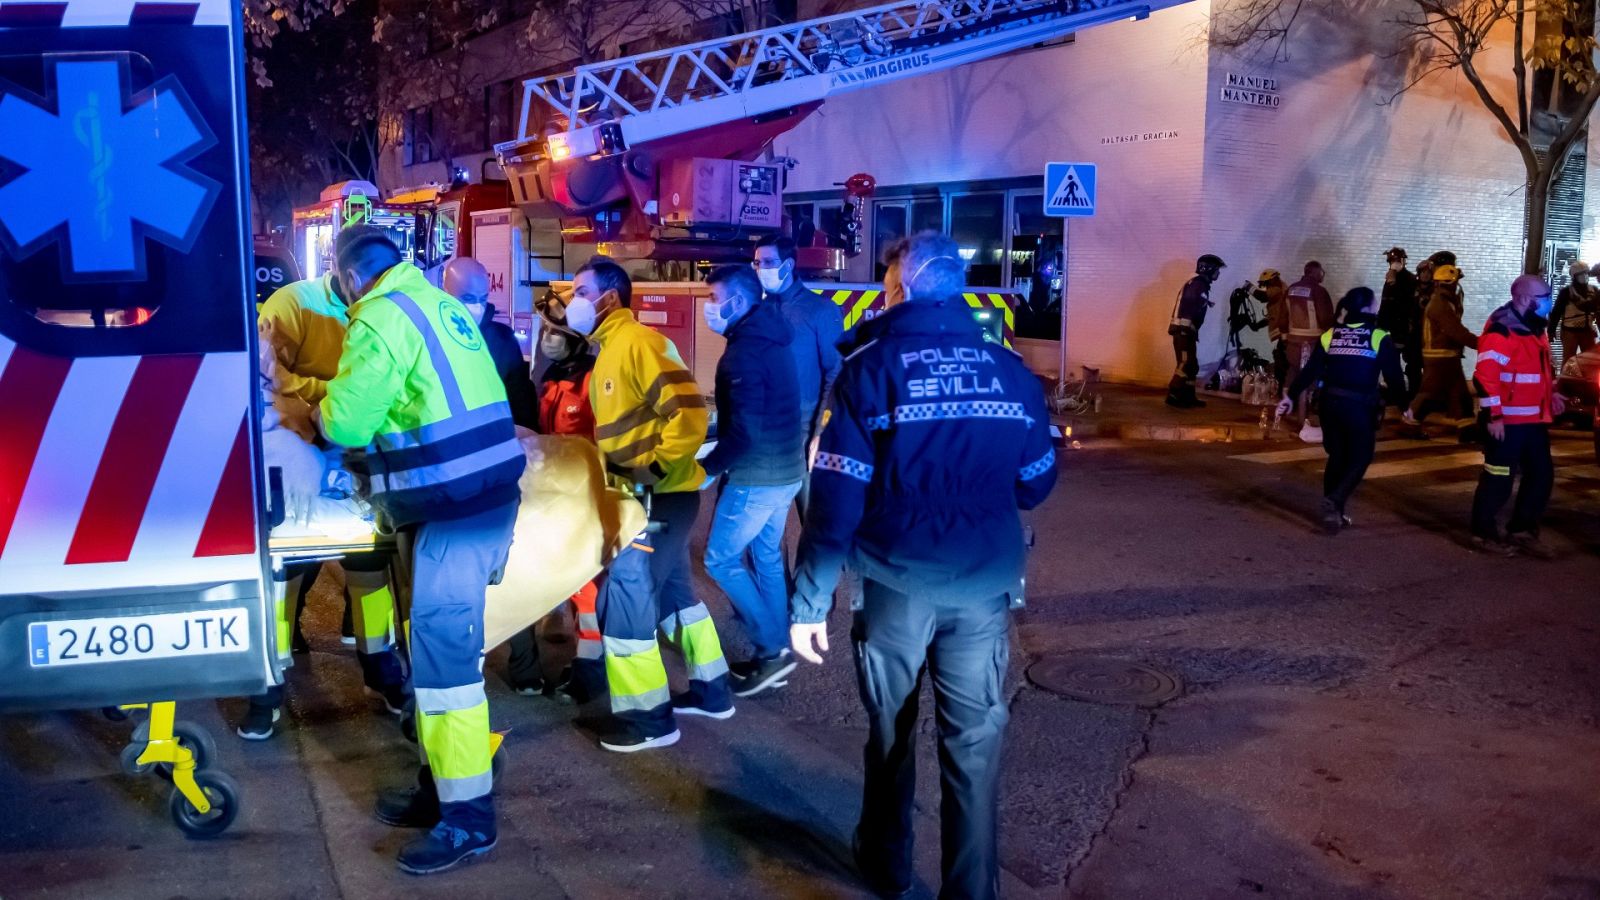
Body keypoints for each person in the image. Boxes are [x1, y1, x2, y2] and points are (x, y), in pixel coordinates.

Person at [790, 231, 1058, 900]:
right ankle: (971, 890)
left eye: (886, 284)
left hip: (894, 586)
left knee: (891, 733)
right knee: (974, 748)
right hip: (981, 591)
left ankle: (884, 863)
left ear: (900, 289)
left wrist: (809, 601)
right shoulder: (1011, 371)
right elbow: (1035, 481)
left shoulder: (868, 371)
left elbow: (836, 499)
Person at [320, 230, 525, 874]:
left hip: (451, 512)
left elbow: (347, 423)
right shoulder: (436, 302)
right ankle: (439, 790)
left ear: (350, 278)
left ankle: (468, 819)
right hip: (481, 500)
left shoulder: (379, 318)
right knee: (435, 652)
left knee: (445, 673)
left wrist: (316, 405)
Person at [240, 228, 409, 741]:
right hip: (297, 449)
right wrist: (330, 398)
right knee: (287, 564)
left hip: (356, 450)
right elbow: (266, 373)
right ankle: (269, 682)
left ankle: (379, 668)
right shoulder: (293, 304)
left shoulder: (387, 307)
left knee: (369, 562)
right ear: (343, 272)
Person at [566, 256, 734, 751]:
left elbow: (689, 413)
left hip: (657, 498)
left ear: (609, 298)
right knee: (676, 595)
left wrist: (656, 468)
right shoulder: (614, 347)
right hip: (660, 498)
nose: (573, 301)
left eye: (580, 291)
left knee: (627, 598)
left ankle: (648, 721)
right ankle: (711, 689)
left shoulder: (635, 343)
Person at [698, 265, 806, 697]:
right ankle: (774, 653)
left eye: (713, 298)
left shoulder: (743, 353)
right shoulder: (772, 337)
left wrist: (704, 471)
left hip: (757, 477)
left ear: (738, 301)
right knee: (765, 558)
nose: (709, 307)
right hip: (785, 470)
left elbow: (743, 431)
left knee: (719, 560)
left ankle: (772, 649)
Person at [503, 290, 603, 700]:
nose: (546, 339)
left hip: (582, 491)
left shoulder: (593, 379)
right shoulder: (549, 378)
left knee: (587, 583)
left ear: (577, 338)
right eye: (544, 330)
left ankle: (589, 664)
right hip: (551, 489)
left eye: (555, 332)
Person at [1277, 288, 1406, 534]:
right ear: (1369, 308)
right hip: (1358, 407)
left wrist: (1290, 397)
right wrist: (1404, 405)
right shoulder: (1379, 336)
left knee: (1337, 457)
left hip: (1329, 405)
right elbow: (1394, 376)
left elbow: (1310, 371)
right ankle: (1335, 501)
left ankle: (1333, 514)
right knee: (1361, 457)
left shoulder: (1330, 335)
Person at [1470, 275, 1562, 558]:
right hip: (1507, 423)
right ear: (1524, 299)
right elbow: (1485, 377)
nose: (1549, 301)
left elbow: (1538, 372)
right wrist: (1494, 416)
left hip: (1533, 420)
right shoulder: (1503, 330)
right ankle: (1483, 533)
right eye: (1544, 297)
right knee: (1498, 480)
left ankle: (1522, 529)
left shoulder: (1535, 328)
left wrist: (1552, 394)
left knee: (1541, 475)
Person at [754, 234, 843, 516]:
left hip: (803, 432)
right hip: (765, 431)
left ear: (788, 264)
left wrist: (820, 433)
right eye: (756, 263)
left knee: (815, 523)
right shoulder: (759, 311)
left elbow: (836, 373)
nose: (760, 269)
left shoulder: (820, 311)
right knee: (765, 529)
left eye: (768, 262)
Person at [444, 258, 535, 428]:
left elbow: (520, 398)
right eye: (468, 298)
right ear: (446, 293)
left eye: (483, 299)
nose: (477, 307)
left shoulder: (503, 339)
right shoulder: (431, 336)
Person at [1405, 262, 1479, 427]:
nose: (1457, 285)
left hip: (1446, 355)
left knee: (1459, 393)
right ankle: (1409, 421)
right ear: (1449, 283)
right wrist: (1482, 343)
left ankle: (1467, 426)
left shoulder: (1444, 301)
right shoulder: (1440, 304)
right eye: (1455, 281)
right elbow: (1455, 331)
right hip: (1439, 357)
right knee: (1429, 393)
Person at [1165, 254, 1225, 408]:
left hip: (1187, 331)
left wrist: (1205, 301)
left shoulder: (1198, 284)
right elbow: (1190, 303)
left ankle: (1188, 396)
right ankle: (1174, 393)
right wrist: (1203, 301)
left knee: (1192, 365)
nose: (1218, 273)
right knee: (1186, 363)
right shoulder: (1198, 284)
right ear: (1209, 269)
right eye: (1217, 269)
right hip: (1183, 331)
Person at [1284, 261, 1335, 439]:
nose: (1324, 274)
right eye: (1322, 271)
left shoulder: (1290, 289)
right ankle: (1305, 416)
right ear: (1315, 272)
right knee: (1312, 377)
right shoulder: (1319, 291)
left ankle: (1288, 406)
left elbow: (1283, 316)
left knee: (1293, 372)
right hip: (1312, 342)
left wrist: (1285, 337)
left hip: (1292, 342)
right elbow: (1326, 317)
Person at [1377, 247, 1421, 402]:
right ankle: (1395, 393)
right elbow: (1385, 304)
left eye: (1397, 261)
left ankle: (1413, 395)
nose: (1394, 264)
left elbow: (1408, 305)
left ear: (1403, 261)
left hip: (1406, 330)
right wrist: (1380, 325)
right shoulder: (1390, 279)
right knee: (1391, 364)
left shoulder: (1410, 280)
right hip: (1391, 330)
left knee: (1412, 365)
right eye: (1392, 261)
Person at [1550, 259, 1598, 364]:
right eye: (1581, 274)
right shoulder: (1566, 292)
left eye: (1586, 274)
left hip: (1587, 331)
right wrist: (1551, 330)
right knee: (1568, 359)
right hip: (1570, 332)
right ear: (1574, 277)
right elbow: (1556, 312)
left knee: (1590, 360)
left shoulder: (1594, 290)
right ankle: (1565, 380)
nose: (1585, 277)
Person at [1255, 268, 1290, 387]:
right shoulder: (1281, 289)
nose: (1265, 287)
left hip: (1284, 331)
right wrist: (1260, 324)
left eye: (1265, 284)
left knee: (1282, 360)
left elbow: (1262, 297)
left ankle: (1283, 388)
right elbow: (1275, 314)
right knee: (1281, 357)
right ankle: (1283, 387)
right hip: (1284, 331)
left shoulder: (1277, 288)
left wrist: (1248, 287)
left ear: (1270, 280)